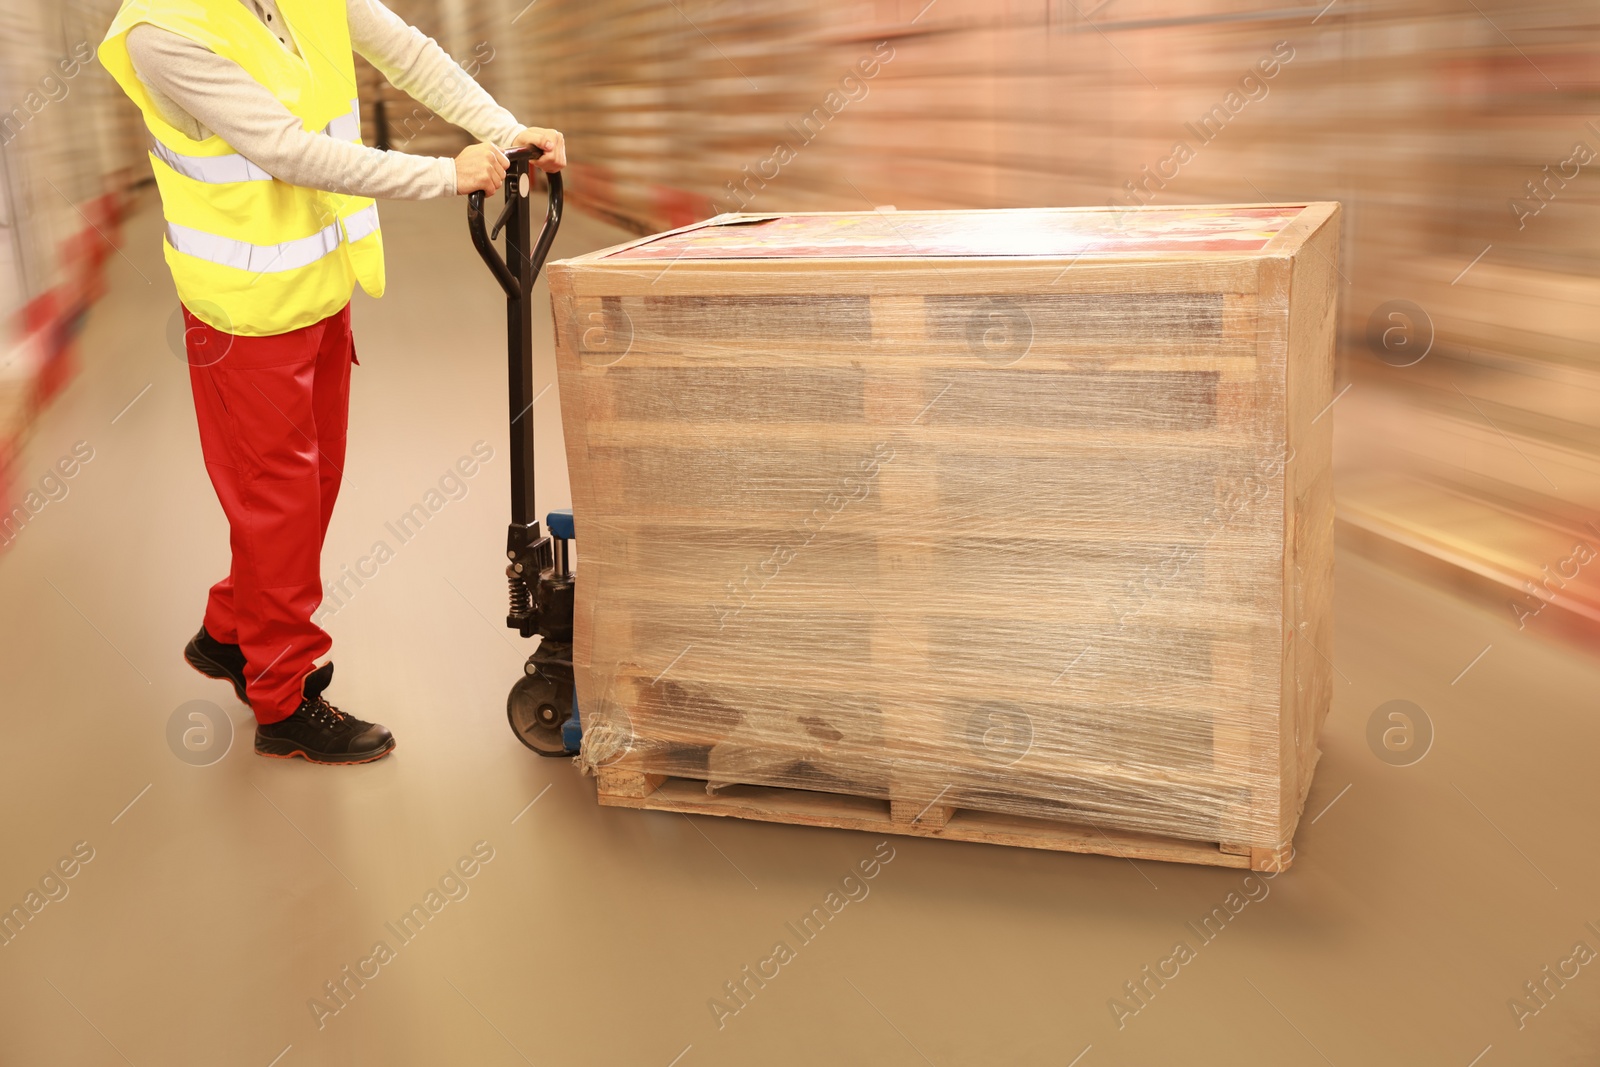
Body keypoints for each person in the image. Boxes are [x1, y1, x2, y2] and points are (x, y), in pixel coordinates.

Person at [98, 0, 566, 764]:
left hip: (318, 286)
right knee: (278, 499)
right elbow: (286, 151)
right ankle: (284, 698)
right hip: (243, 316)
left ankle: (228, 630)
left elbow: (407, 52)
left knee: (309, 491)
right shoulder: (163, 34)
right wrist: (441, 174)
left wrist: (504, 129)